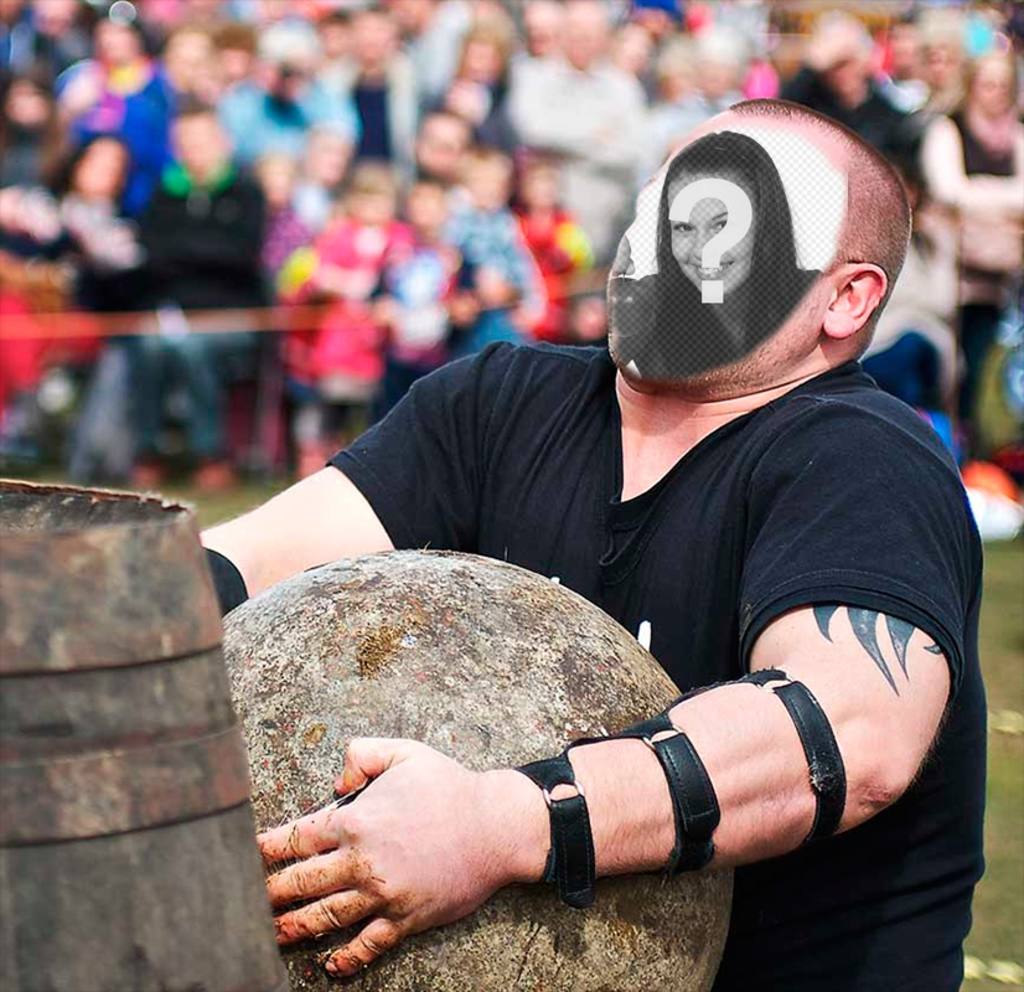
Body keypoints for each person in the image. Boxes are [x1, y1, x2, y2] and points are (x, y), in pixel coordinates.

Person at [203, 101, 984, 991]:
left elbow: (850, 727)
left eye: (725, 221)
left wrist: (498, 825)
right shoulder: (501, 401)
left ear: (845, 297)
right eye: (661, 203)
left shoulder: (864, 457)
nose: (660, 243)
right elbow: (264, 563)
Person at [612, 130, 821, 382]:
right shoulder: (649, 317)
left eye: (722, 226)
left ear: (766, 220)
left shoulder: (821, 303)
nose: (703, 251)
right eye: (684, 228)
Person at [132, 102, 266, 489]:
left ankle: (211, 453)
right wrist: (206, 248)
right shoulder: (164, 191)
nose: (195, 150)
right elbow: (152, 254)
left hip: (232, 317)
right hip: (171, 314)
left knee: (194, 348)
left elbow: (241, 255)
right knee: (147, 346)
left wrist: (184, 250)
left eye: (203, 141)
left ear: (223, 142)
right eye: (186, 142)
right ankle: (148, 450)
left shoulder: (245, 191)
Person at [281, 162, 412, 476]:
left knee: (371, 407)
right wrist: (343, 281)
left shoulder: (399, 239)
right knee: (330, 402)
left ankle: (364, 460)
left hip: (380, 342)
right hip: (337, 341)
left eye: (380, 200)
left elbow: (407, 276)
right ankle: (319, 456)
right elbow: (314, 273)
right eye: (365, 199)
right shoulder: (339, 235)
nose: (372, 208)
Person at [920, 50, 1023, 442]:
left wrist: (977, 195)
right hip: (954, 273)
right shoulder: (948, 130)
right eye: (987, 84)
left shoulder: (1017, 134)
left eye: (1003, 85)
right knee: (952, 370)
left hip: (1005, 279)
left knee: (991, 368)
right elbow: (949, 192)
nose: (995, 93)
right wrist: (1003, 201)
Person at [509, 0, 647, 264]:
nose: (581, 42)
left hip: (607, 223)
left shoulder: (624, 87)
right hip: (543, 225)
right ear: (562, 34)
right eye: (575, 34)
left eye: (589, 36)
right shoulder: (533, 75)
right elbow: (533, 131)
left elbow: (633, 151)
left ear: (604, 39)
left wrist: (561, 147)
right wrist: (597, 138)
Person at [781, 11, 913, 161]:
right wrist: (812, 63)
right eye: (833, 65)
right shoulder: (811, 107)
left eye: (847, 62)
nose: (841, 72)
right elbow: (774, 117)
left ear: (865, 61)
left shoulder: (885, 116)